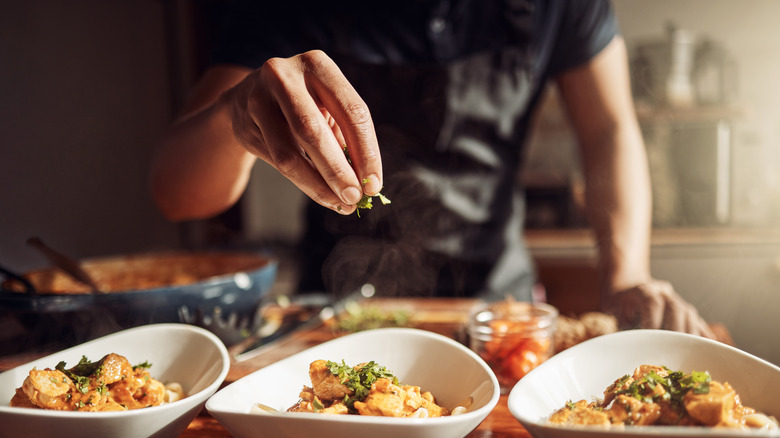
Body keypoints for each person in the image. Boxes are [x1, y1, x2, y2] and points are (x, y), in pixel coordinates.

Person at [150, 0, 715, 337]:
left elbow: (608, 131)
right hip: (340, 317)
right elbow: (176, 195)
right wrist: (232, 116)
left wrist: (626, 274)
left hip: (501, 314)